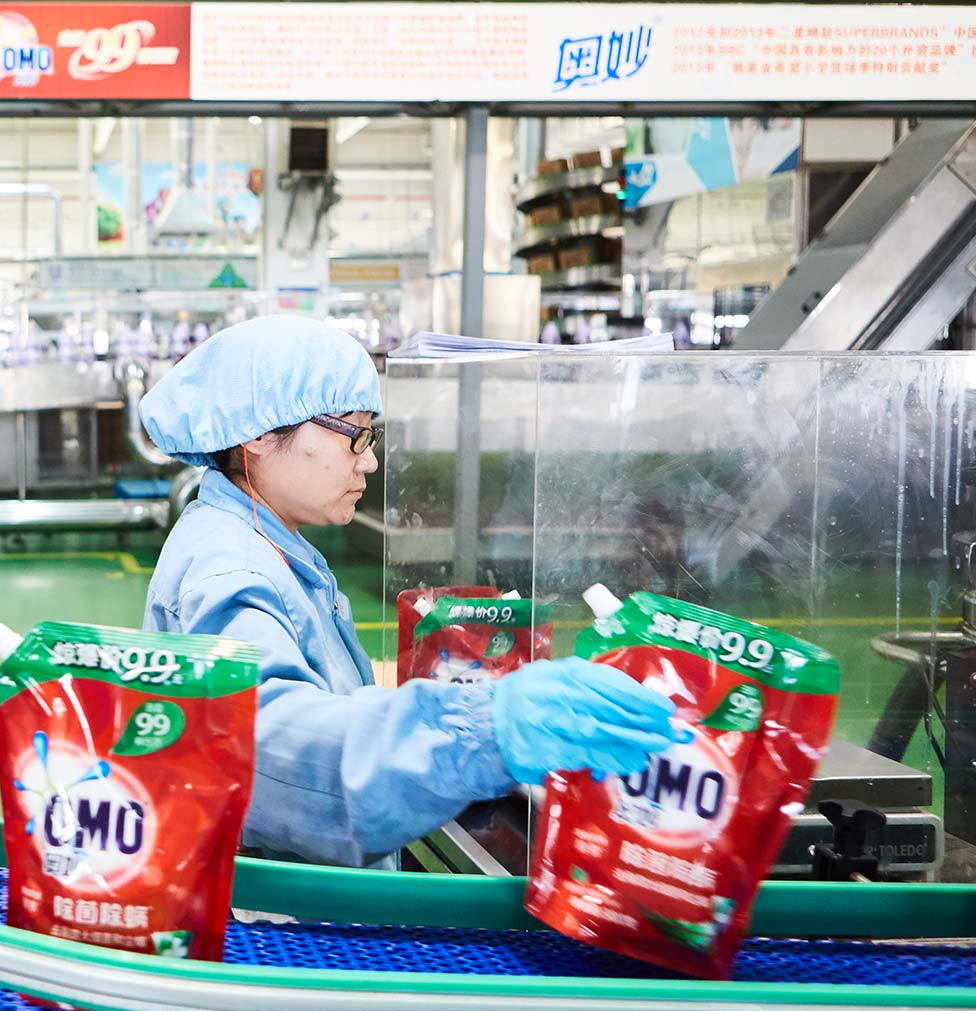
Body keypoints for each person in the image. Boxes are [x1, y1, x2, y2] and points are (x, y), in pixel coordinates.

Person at [139, 315, 685, 868]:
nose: (370, 460)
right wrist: (481, 728)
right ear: (258, 431)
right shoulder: (231, 569)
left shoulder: (268, 539)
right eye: (355, 433)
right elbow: (278, 752)